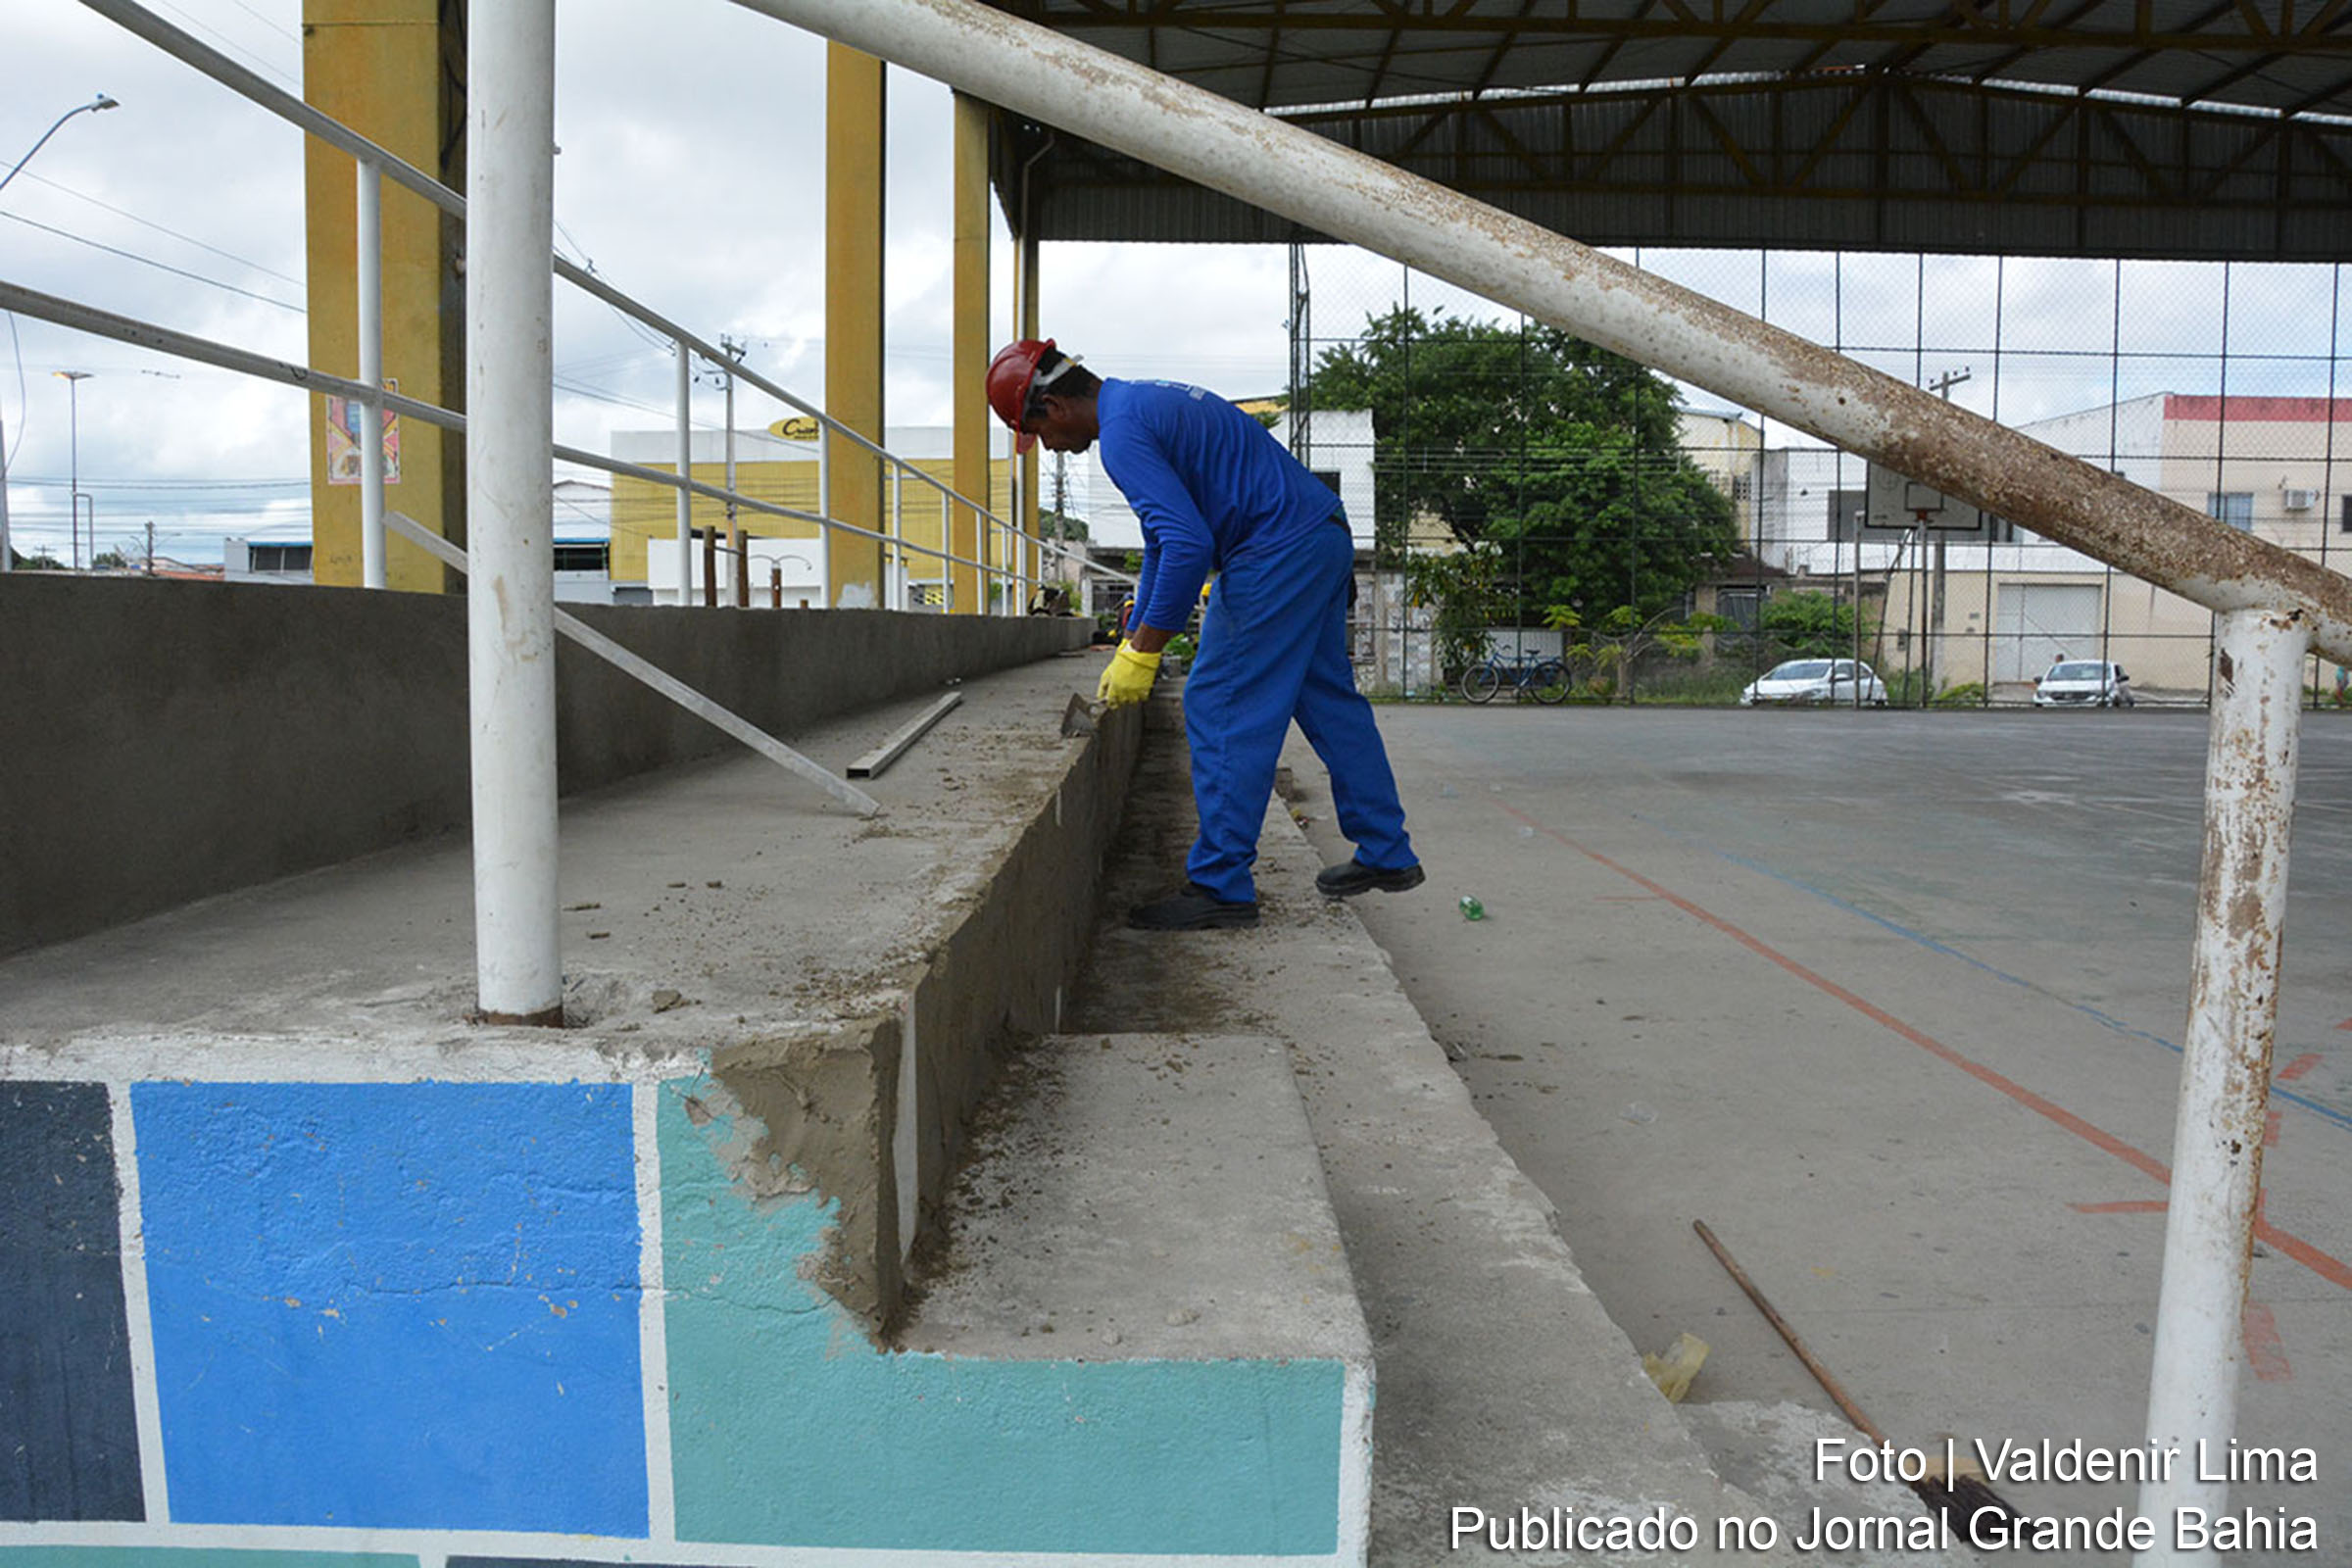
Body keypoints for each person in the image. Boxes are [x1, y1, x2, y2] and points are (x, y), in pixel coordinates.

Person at [986, 338, 1422, 931]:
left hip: (1274, 549)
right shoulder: (1139, 404)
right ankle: (1386, 851)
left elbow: (1190, 544)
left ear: (1054, 408)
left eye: (1035, 434)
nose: (1048, 449)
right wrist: (1136, 627)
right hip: (1318, 532)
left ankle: (1222, 885)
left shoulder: (1120, 435)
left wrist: (1145, 653)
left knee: (1218, 702)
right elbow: (1168, 539)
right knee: (1326, 700)